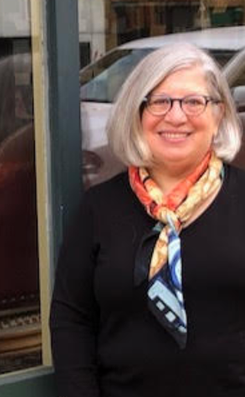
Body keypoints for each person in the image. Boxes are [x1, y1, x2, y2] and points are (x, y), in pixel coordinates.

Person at [50, 42, 245, 396]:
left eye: (193, 101)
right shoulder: (99, 208)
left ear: (219, 114)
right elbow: (72, 320)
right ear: (136, 114)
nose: (175, 116)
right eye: (160, 101)